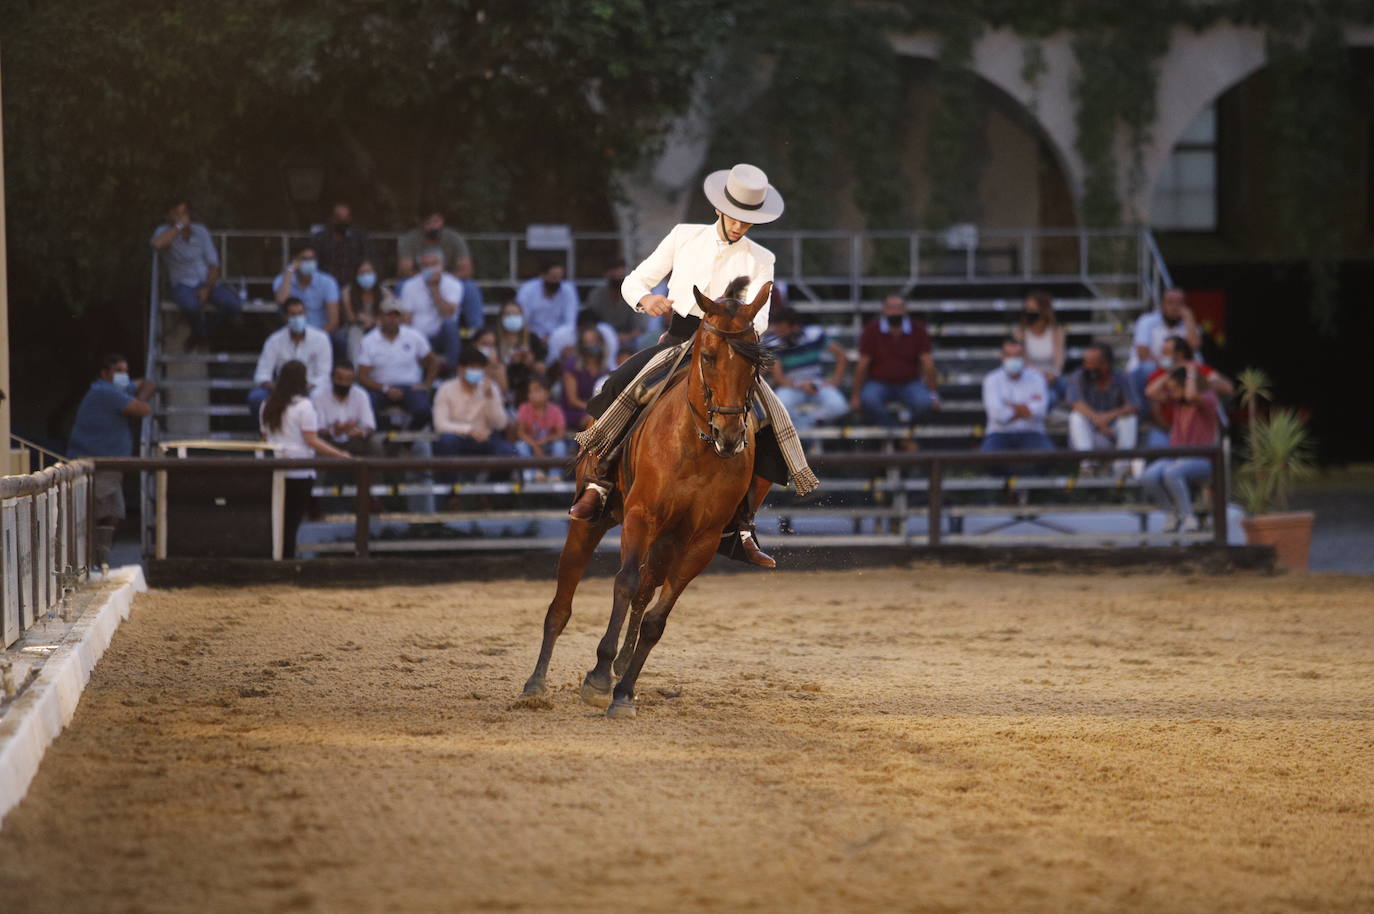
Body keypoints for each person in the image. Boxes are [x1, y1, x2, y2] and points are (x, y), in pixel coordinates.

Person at [568, 163, 818, 569]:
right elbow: (636, 280)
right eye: (736, 215)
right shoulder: (685, 236)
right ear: (721, 208)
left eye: (749, 220)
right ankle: (597, 482)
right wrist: (646, 300)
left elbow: (761, 318)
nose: (741, 225)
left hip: (731, 350)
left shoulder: (762, 258)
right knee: (619, 386)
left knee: (774, 422)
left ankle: (743, 524)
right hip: (680, 340)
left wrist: (727, 328)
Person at [67, 354, 156, 566]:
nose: (123, 376)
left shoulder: (117, 390)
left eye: (125, 371)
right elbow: (142, 409)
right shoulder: (104, 392)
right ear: (105, 374)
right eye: (118, 371)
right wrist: (139, 398)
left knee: (114, 514)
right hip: (95, 464)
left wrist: (135, 392)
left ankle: (100, 560)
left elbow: (147, 382)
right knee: (95, 516)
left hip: (110, 465)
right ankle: (88, 563)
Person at [259, 360, 349, 559]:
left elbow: (264, 439)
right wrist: (339, 454)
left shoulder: (267, 404)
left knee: (277, 522)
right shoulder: (304, 406)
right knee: (291, 523)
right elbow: (311, 439)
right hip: (299, 471)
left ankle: (275, 560)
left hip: (274, 470)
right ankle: (286, 562)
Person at [149, 199, 243, 345]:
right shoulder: (163, 231)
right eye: (176, 214)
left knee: (234, 305)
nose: (182, 217)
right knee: (191, 306)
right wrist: (179, 226)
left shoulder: (201, 231)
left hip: (208, 282)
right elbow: (157, 244)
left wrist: (206, 288)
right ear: (168, 216)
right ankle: (201, 335)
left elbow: (214, 265)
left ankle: (201, 334)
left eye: (184, 213)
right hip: (182, 284)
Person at [1140, 365, 1220, 533]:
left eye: (1175, 388)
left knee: (1172, 472)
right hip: (1177, 458)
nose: (1172, 392)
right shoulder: (1177, 400)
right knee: (1149, 476)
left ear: (1186, 384)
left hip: (1203, 460)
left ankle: (1188, 516)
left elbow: (1191, 395)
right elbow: (1150, 392)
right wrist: (1169, 373)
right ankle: (1170, 513)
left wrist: (1191, 371)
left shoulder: (1207, 398)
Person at [850, 294, 940, 443]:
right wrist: (855, 395)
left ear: (905, 310)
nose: (895, 312)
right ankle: (899, 438)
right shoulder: (872, 329)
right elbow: (862, 364)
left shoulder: (918, 329)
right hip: (879, 382)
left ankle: (906, 432)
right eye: (890, 308)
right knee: (868, 398)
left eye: (898, 308)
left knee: (925, 402)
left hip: (910, 381)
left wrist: (934, 395)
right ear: (883, 310)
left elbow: (928, 364)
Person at [433, 347, 516, 480]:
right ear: (460, 369)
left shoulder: (491, 388)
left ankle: (490, 495)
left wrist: (489, 398)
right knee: (445, 442)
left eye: (480, 368)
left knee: (508, 452)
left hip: (487, 437)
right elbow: (440, 425)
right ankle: (452, 494)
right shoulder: (445, 389)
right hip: (459, 437)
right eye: (472, 367)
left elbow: (500, 424)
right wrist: (469, 430)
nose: (476, 372)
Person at [357, 300, 439, 430]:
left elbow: (433, 361)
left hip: (409, 386)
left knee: (424, 411)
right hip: (380, 387)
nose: (392, 319)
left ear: (401, 318)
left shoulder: (414, 335)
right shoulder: (368, 341)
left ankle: (407, 442)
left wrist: (427, 384)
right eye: (388, 315)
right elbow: (362, 376)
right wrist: (385, 389)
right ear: (380, 317)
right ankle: (389, 433)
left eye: (396, 316)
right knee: (367, 409)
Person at [1143, 335, 1235, 448]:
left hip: (1197, 437)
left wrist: (1194, 378)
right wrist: (1171, 373)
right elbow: (1150, 392)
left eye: (1166, 352)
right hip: (1167, 430)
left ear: (1180, 353)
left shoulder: (1197, 371)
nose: (1162, 356)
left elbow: (1227, 387)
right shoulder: (1162, 374)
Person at [766, 307, 849, 429]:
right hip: (791, 386)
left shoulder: (814, 334)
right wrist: (800, 385)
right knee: (779, 406)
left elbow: (841, 355)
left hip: (817, 384)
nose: (779, 332)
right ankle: (805, 427)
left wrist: (835, 381)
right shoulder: (773, 342)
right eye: (778, 327)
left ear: (795, 326)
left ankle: (804, 424)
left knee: (839, 406)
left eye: (782, 329)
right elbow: (779, 378)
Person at [249, 298, 333, 416]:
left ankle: (314, 433)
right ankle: (264, 433)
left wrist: (305, 388)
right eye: (292, 315)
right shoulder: (274, 340)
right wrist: (278, 387)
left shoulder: (321, 338)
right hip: (281, 389)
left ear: (306, 314)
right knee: (257, 397)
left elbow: (324, 375)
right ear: (285, 317)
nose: (297, 318)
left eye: (300, 314)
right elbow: (261, 375)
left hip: (310, 389)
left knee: (318, 396)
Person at [1064, 342, 1137, 473]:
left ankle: (1122, 466)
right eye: (1085, 362)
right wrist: (1098, 419)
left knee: (1129, 419)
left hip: (1112, 433)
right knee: (1076, 417)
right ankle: (1088, 465)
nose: (1086, 366)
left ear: (1105, 364)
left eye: (1091, 363)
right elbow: (1076, 403)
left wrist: (1108, 417)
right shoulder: (1079, 376)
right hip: (1089, 436)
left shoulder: (1122, 378)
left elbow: (1133, 406)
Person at [1127, 288, 1201, 406]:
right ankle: (1141, 410)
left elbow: (1194, 346)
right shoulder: (1147, 321)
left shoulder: (1189, 324)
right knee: (1149, 368)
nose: (1175, 307)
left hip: (1175, 370)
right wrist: (1165, 369)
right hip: (1151, 368)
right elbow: (1143, 353)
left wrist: (1189, 317)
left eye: (1179, 303)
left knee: (1196, 370)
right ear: (1162, 304)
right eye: (1170, 302)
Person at [397, 248, 464, 372]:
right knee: (406, 331)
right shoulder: (409, 285)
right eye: (425, 265)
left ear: (441, 266)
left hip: (442, 335)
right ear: (420, 267)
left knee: (450, 325)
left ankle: (452, 370)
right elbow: (406, 317)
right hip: (419, 335)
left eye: (434, 264)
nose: (429, 268)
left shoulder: (453, 284)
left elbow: (448, 313)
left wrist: (434, 289)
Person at [980, 338, 1052, 452]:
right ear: (1002, 357)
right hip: (1000, 433)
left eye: (1017, 355)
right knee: (987, 457)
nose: (1013, 359)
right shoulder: (991, 379)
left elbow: (1041, 411)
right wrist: (1027, 408)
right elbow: (997, 415)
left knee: (1048, 455)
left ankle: (1031, 471)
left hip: (1032, 432)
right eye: (1009, 355)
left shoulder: (1037, 378)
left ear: (1024, 357)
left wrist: (1009, 406)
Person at [310, 361, 382, 459]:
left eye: (348, 379)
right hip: (328, 442)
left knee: (375, 445)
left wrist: (361, 432)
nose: (344, 383)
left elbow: (370, 427)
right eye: (340, 379)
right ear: (332, 378)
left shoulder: (361, 395)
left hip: (354, 440)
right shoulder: (318, 395)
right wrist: (334, 431)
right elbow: (318, 430)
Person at [273, 245, 342, 335]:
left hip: (321, 332)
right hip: (291, 333)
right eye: (304, 259)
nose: (309, 262)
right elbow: (282, 301)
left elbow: (333, 322)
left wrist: (316, 338)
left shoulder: (328, 282)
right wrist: (290, 270)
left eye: (311, 259)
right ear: (295, 261)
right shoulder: (283, 279)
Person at [1013, 290, 1066, 407]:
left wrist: (1053, 375)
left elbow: (1059, 358)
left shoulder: (1056, 331)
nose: (1029, 313)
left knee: (1060, 388)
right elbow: (1023, 361)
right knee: (1047, 397)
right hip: (1029, 378)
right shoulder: (1021, 332)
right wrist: (1038, 377)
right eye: (1027, 309)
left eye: (1032, 310)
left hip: (1051, 378)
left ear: (1043, 311)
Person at [582, 259, 643, 356]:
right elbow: (589, 322)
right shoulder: (597, 295)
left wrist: (627, 336)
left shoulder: (632, 294)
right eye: (614, 276)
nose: (618, 278)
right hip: (601, 337)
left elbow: (639, 327)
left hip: (627, 339)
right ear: (606, 275)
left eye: (620, 276)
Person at [514, 376, 569, 482]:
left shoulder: (555, 410)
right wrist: (535, 445)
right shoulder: (524, 408)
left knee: (560, 445)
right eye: (530, 392)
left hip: (548, 445)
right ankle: (532, 474)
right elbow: (520, 433)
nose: (532, 395)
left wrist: (545, 440)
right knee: (520, 445)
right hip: (530, 445)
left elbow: (561, 434)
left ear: (547, 393)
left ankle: (555, 475)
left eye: (537, 390)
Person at [340, 260, 395, 364]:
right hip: (355, 325)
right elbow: (350, 317)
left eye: (369, 272)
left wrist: (373, 321)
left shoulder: (385, 292)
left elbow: (388, 313)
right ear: (356, 275)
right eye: (362, 273)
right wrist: (361, 320)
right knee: (355, 332)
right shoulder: (347, 291)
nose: (366, 276)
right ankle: (356, 369)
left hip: (378, 324)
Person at [493, 301, 548, 402]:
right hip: (503, 383)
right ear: (501, 318)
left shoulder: (532, 338)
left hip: (527, 384)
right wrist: (510, 361)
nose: (512, 317)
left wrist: (530, 362)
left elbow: (542, 370)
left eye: (515, 314)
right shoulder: (494, 339)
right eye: (508, 314)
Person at [398, 207, 473, 279]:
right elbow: (404, 271)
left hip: (451, 279)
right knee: (402, 285)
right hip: (418, 280)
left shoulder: (455, 239)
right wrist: (429, 277)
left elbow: (466, 271)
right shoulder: (410, 239)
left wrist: (441, 278)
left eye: (436, 221)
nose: (433, 226)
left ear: (442, 221)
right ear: (421, 224)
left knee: (470, 287)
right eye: (428, 223)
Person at [309, 202, 372, 289]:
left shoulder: (359, 237)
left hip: (353, 285)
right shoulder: (320, 238)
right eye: (339, 218)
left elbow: (368, 257)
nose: (343, 222)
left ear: (350, 218)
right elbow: (313, 260)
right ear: (332, 218)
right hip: (325, 284)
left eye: (346, 218)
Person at [515, 261, 579, 342]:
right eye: (554, 277)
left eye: (560, 277)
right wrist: (539, 337)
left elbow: (570, 322)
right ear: (543, 276)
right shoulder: (527, 290)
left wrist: (554, 338)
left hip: (559, 336)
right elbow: (523, 320)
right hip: (533, 335)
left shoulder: (568, 290)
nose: (557, 281)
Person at [560, 326, 610, 430]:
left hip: (598, 410)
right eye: (588, 342)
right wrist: (596, 409)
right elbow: (573, 401)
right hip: (575, 412)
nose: (592, 345)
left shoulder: (605, 369)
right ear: (582, 345)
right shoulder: (571, 365)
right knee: (594, 418)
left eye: (595, 341)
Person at [546, 309, 619, 367]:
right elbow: (549, 368)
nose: (591, 346)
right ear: (577, 328)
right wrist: (561, 358)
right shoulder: (560, 335)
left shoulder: (607, 334)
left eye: (593, 341)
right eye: (587, 342)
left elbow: (611, 365)